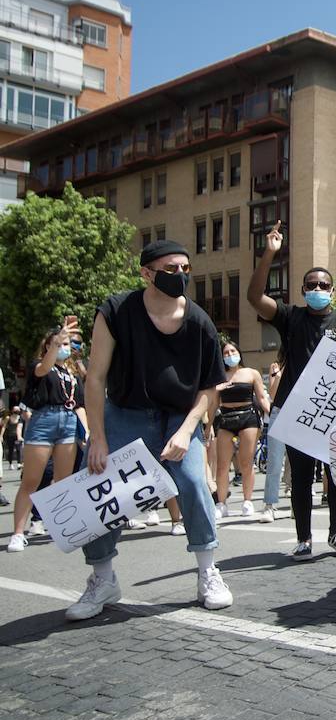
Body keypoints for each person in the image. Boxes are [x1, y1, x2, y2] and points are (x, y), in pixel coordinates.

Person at [66, 241, 233, 620]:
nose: (180, 275)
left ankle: (208, 571)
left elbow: (209, 390)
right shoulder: (115, 311)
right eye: (171, 268)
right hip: (126, 412)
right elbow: (95, 378)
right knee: (98, 486)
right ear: (146, 272)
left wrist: (187, 430)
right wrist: (98, 438)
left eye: (186, 269)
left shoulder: (200, 322)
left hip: (180, 415)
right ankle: (103, 578)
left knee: (192, 481)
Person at [247, 221, 336, 560]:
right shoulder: (290, 317)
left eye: (323, 284)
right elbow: (254, 297)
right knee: (300, 477)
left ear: (333, 289)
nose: (317, 288)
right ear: (302, 289)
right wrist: (269, 252)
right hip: (298, 412)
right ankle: (304, 539)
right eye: (311, 284)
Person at [7, 320, 89, 551]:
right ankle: (18, 533)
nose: (65, 347)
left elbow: (79, 404)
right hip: (43, 420)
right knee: (31, 480)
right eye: (60, 343)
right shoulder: (40, 365)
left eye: (66, 343)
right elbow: (42, 369)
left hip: (68, 422)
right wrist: (55, 343)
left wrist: (86, 431)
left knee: (63, 481)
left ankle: (61, 527)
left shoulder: (71, 373)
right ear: (48, 345)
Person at [208, 341, 270, 520]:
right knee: (222, 465)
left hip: (248, 417)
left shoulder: (251, 373)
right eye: (226, 353)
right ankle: (221, 504)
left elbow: (261, 398)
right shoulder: (219, 376)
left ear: (239, 352)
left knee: (246, 462)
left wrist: (272, 414)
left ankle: (247, 501)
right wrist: (208, 426)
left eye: (233, 351)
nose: (230, 355)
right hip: (226, 418)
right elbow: (212, 404)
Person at [259, 361, 286, 522]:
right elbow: (274, 395)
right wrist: (278, 374)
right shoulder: (277, 366)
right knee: (274, 461)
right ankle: (269, 505)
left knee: (300, 464)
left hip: (299, 412)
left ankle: (298, 505)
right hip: (280, 411)